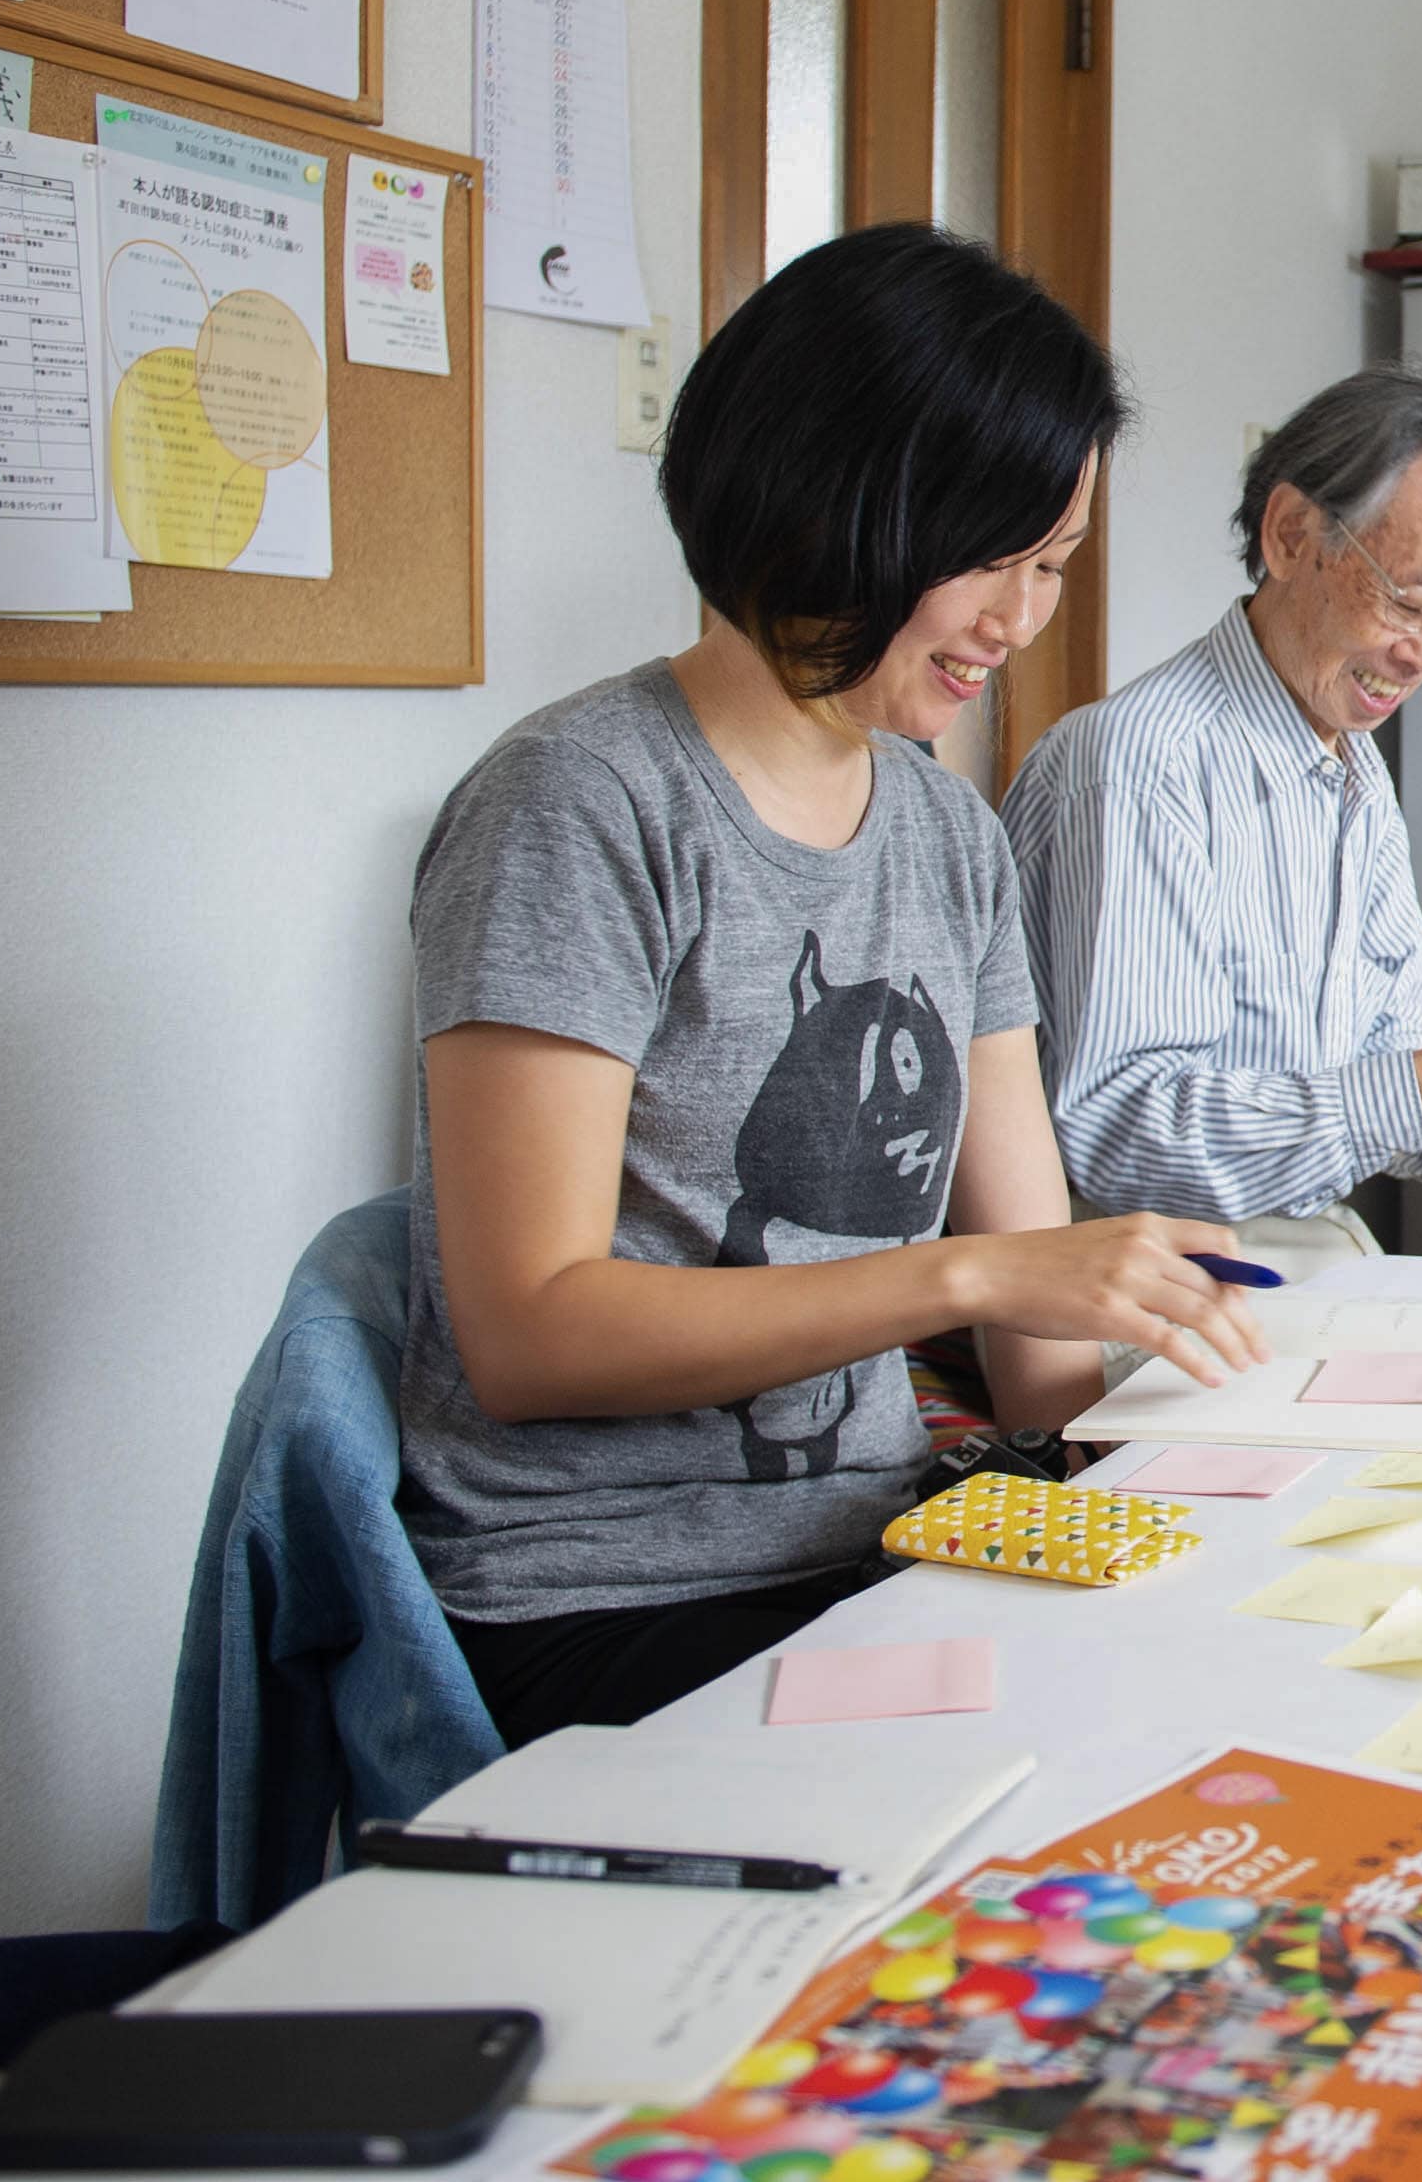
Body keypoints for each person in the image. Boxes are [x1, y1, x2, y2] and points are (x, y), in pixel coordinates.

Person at [399, 226, 1268, 1744]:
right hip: (608, 1595)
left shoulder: (944, 831)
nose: (1017, 620)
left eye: (1050, 564)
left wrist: (1185, 1426)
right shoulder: (580, 803)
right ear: (831, 503)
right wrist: (970, 1280)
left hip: (885, 1546)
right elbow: (529, 1333)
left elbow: (1036, 1326)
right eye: (984, 558)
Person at [1008, 369, 1422, 1247]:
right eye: (1410, 599)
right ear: (1290, 535)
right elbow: (1120, 1136)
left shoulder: (1354, 772)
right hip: (1124, 1262)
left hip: (1293, 1243)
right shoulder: (1142, 765)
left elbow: (1384, 1061)